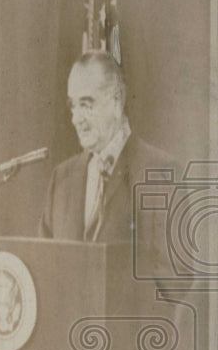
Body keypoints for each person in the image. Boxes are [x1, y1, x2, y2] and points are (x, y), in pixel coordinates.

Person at [39, 50, 171, 251]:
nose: (76, 119)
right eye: (73, 106)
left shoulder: (159, 173)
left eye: (86, 104)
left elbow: (171, 275)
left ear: (117, 101)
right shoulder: (61, 178)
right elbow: (43, 263)